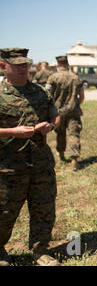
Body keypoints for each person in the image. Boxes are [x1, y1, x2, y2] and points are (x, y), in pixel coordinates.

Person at [0, 48, 61, 266]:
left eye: (24, 64)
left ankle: (40, 252)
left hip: (40, 164)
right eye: (16, 65)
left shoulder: (40, 92)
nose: (22, 68)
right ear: (3, 66)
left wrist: (51, 126)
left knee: (44, 210)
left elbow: (56, 115)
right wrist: (11, 132)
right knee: (5, 212)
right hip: (8, 168)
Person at [45, 55, 84, 171]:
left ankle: (61, 154)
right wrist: (76, 105)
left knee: (60, 133)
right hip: (73, 111)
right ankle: (74, 160)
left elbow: (48, 94)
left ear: (58, 64)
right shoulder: (76, 78)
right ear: (67, 64)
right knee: (74, 134)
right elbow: (81, 96)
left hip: (58, 112)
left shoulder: (53, 77)